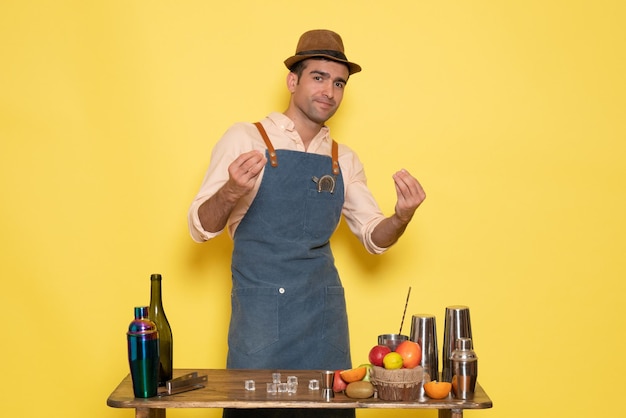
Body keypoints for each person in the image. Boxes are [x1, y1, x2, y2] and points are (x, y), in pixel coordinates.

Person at [188, 29, 426, 418]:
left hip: (324, 319)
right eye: (318, 77)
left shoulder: (342, 158)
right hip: (262, 319)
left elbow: (373, 236)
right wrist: (231, 190)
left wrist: (401, 217)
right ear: (292, 81)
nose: (329, 92)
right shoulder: (245, 138)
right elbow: (199, 227)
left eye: (338, 83)